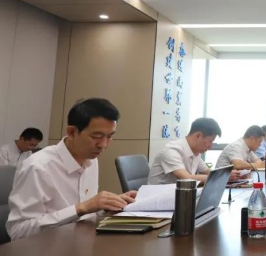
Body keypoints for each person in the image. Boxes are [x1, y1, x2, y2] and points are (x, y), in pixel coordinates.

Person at [6, 98, 137, 241]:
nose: (103, 145)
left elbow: (86, 214)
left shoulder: (92, 161)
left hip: (80, 244)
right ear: (72, 132)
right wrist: (80, 208)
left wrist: (108, 204)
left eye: (110, 137)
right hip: (46, 251)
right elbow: (18, 231)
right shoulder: (38, 167)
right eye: (96, 136)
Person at [148, 117, 242, 185]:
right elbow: (187, 178)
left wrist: (225, 174)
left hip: (176, 196)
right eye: (210, 141)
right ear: (198, 136)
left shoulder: (195, 153)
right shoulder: (172, 150)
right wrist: (221, 177)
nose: (210, 146)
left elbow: (207, 171)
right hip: (157, 200)